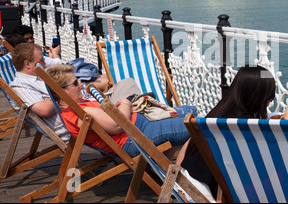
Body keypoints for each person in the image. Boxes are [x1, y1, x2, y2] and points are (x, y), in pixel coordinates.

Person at [176, 65, 288, 202]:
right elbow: (278, 162)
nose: (269, 103)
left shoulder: (217, 115)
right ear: (258, 97)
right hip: (208, 196)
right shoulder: (243, 130)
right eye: (269, 98)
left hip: (185, 184)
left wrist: (178, 174)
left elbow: (189, 144)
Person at [45, 64, 197, 157]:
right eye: (75, 82)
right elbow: (117, 126)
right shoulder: (78, 113)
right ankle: (177, 177)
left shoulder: (77, 105)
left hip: (139, 125)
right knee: (198, 128)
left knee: (192, 110)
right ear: (62, 91)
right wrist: (126, 103)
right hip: (136, 137)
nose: (80, 84)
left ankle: (162, 166)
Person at [10, 43, 71, 143]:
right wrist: (64, 90)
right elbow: (44, 110)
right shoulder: (20, 85)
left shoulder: (38, 77)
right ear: (27, 64)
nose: (45, 64)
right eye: (42, 61)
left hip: (77, 115)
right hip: (70, 126)